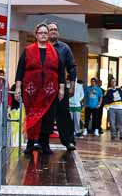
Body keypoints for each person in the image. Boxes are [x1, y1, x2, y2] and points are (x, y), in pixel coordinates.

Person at [15, 23, 65, 155]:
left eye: (45, 32)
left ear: (48, 35)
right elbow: (20, 69)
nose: (43, 34)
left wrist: (61, 88)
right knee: (32, 116)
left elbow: (60, 71)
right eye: (40, 32)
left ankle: (45, 144)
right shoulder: (28, 50)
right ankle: (31, 143)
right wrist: (18, 87)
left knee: (48, 118)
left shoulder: (55, 52)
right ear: (36, 35)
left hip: (50, 91)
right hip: (32, 92)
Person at [47, 22, 77, 151]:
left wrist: (72, 85)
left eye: (55, 29)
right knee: (45, 115)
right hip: (44, 87)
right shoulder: (40, 47)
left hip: (61, 87)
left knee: (63, 114)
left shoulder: (65, 48)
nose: (54, 31)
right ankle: (41, 142)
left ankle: (68, 141)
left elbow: (72, 67)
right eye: (51, 29)